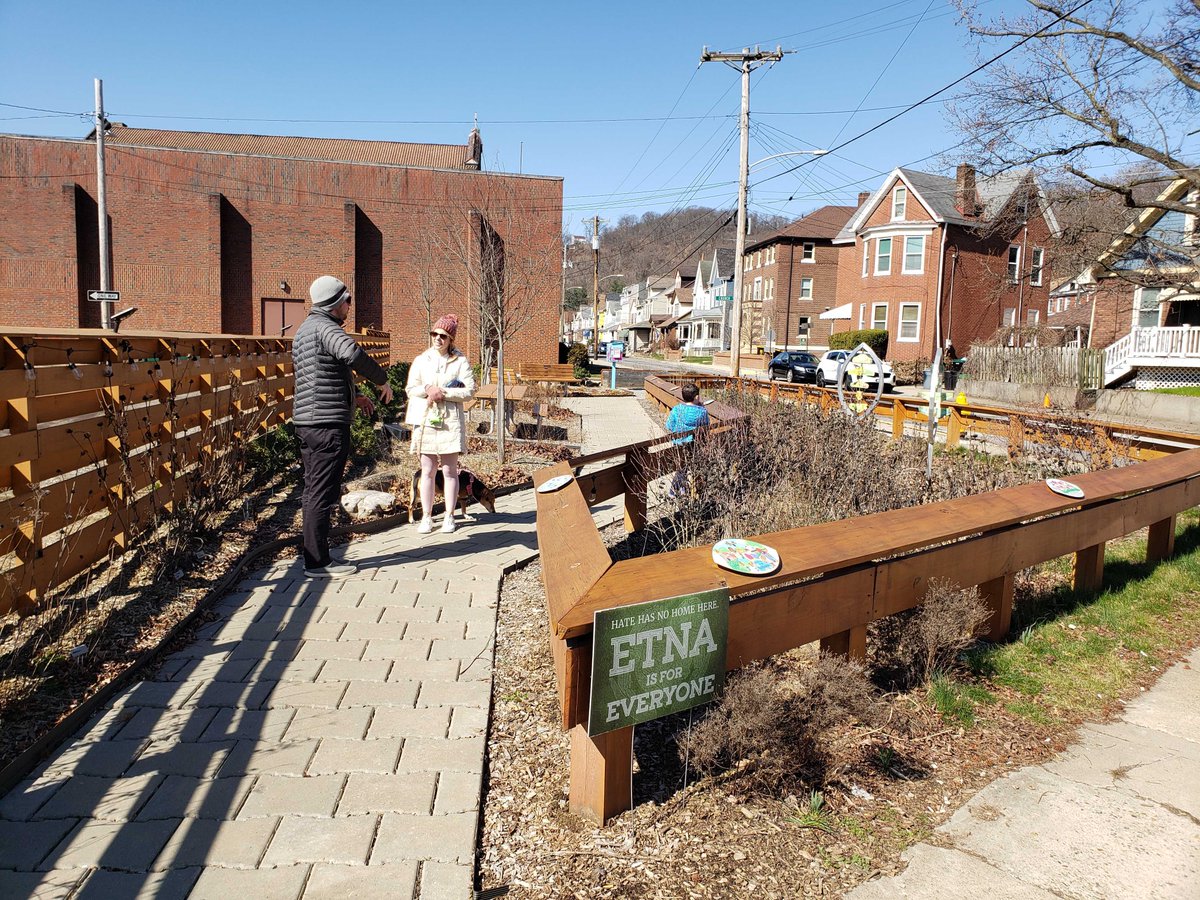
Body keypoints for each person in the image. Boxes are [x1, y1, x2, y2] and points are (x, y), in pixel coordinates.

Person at [292, 275, 394, 578]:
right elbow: (351, 354)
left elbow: (322, 375)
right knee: (322, 492)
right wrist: (381, 379)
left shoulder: (305, 331)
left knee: (313, 490)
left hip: (309, 422)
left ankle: (314, 557)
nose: (350, 305)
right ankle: (318, 563)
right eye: (347, 300)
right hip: (327, 424)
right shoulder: (326, 328)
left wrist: (356, 395)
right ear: (335, 303)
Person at [405, 314, 476, 534]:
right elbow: (410, 388)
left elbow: (469, 390)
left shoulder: (461, 361)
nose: (438, 339)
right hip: (426, 420)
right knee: (427, 469)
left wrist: (443, 392)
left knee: (449, 470)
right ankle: (426, 516)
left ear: (451, 339)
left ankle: (449, 515)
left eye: (443, 336)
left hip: (449, 422)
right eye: (434, 334)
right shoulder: (421, 359)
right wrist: (427, 389)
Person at [665, 382, 710, 496]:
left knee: (681, 467)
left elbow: (669, 425)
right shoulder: (702, 412)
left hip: (678, 443)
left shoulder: (677, 409)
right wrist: (700, 406)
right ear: (696, 397)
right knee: (685, 468)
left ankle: (681, 490)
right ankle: (674, 491)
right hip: (693, 443)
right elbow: (706, 425)